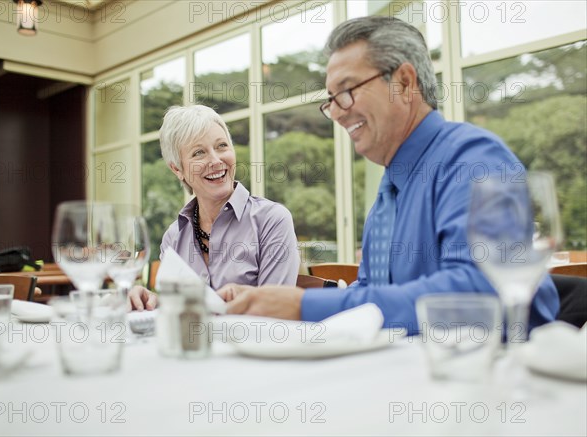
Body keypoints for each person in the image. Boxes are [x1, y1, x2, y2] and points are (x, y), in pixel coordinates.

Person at [217, 16, 559, 334]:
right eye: (331, 100)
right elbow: (371, 293)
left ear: (404, 83)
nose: (335, 112)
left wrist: (303, 305)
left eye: (347, 91)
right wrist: (272, 302)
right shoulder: (388, 191)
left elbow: (480, 291)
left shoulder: (473, 158)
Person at [129, 105, 300, 310]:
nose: (216, 160)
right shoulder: (173, 237)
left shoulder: (272, 220)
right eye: (199, 152)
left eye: (221, 146)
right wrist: (151, 301)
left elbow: (273, 311)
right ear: (177, 169)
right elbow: (176, 312)